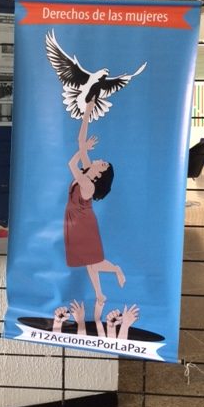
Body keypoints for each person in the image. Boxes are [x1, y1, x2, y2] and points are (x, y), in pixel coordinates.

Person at [64, 99, 125, 304]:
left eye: (103, 164)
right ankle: (99, 294)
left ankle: (116, 269)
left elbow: (71, 164)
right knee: (89, 261)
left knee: (92, 261)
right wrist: (87, 113)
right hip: (76, 220)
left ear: (99, 173)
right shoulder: (87, 170)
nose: (101, 161)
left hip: (83, 224)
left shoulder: (88, 184)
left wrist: (83, 150)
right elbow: (81, 141)